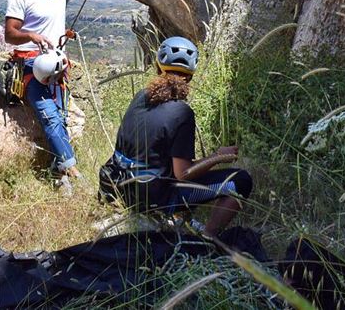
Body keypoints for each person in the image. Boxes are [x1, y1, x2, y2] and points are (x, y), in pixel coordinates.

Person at [100, 36, 252, 237]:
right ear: (190, 75)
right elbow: (184, 174)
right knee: (241, 181)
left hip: (116, 185)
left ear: (158, 67)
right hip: (153, 196)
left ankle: (179, 220)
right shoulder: (182, 113)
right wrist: (219, 156)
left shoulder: (140, 97)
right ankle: (208, 239)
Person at [4, 0, 97, 188]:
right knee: (49, 116)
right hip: (31, 66)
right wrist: (31, 35)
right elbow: (10, 34)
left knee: (60, 117)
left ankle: (59, 173)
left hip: (57, 67)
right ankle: (74, 171)